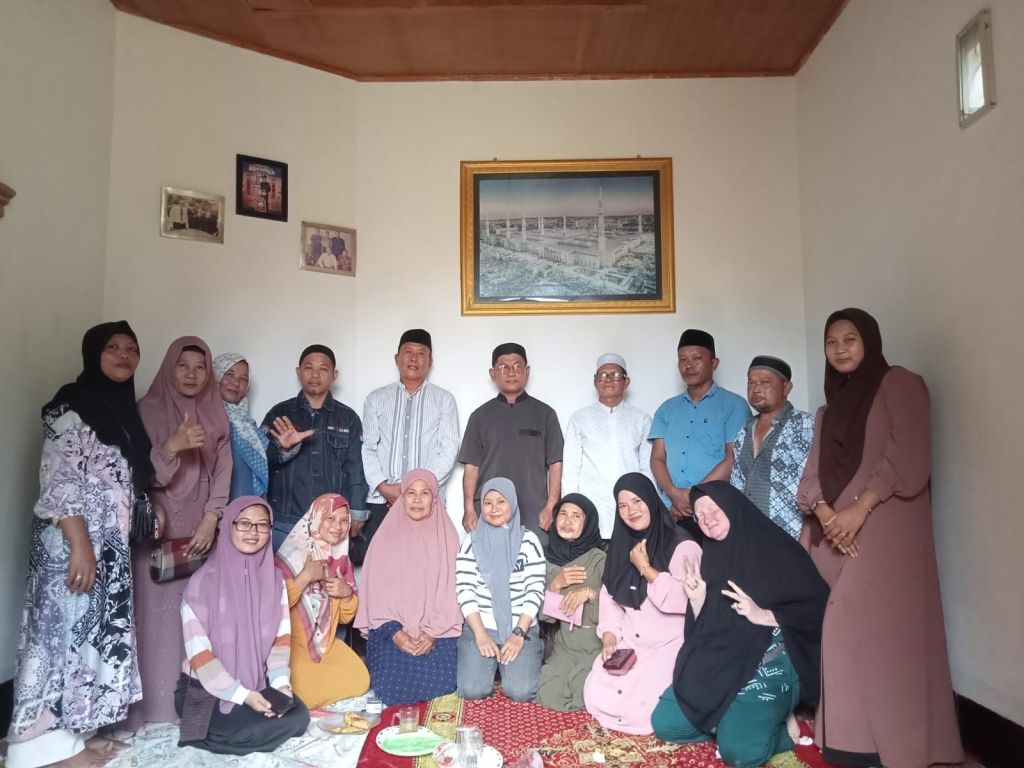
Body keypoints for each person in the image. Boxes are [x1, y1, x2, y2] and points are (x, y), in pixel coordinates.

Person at [796, 309, 963, 767]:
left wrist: (858, 510)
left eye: (850, 338)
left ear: (869, 340)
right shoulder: (828, 412)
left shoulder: (900, 384)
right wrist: (828, 513)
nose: (840, 348)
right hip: (836, 533)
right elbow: (810, 477)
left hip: (887, 529)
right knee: (846, 633)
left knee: (878, 635)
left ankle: (898, 743)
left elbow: (908, 455)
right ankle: (852, 742)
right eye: (832, 342)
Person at [6, 322, 152, 768]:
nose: (124, 355)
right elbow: (60, 479)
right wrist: (80, 546)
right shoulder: (70, 404)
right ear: (93, 353)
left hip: (108, 548)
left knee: (85, 646)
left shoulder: (121, 410)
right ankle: (32, 751)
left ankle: (74, 740)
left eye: (131, 348)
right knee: (56, 643)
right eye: (113, 347)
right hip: (72, 544)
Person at [651, 481, 829, 767]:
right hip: (723, 659)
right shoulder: (713, 555)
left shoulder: (778, 550)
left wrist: (764, 615)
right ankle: (733, 723)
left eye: (713, 509)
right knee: (665, 723)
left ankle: (777, 729)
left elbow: (819, 610)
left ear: (732, 506)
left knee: (741, 753)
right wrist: (698, 601)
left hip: (771, 659)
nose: (707, 519)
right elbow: (707, 630)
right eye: (699, 515)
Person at [130, 336, 231, 727]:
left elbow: (223, 470)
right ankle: (153, 707)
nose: (192, 374)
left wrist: (212, 517)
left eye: (200, 367)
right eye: (183, 365)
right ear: (169, 368)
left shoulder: (215, 411)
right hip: (160, 525)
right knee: (156, 617)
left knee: (199, 614)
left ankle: (193, 704)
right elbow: (138, 474)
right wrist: (172, 446)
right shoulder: (146, 410)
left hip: (201, 524)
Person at [177, 496, 309, 755]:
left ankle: (223, 732)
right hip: (206, 688)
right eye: (244, 523)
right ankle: (204, 730)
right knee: (251, 731)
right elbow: (200, 655)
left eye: (262, 525)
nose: (253, 532)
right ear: (229, 526)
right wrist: (242, 696)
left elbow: (280, 642)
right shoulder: (201, 584)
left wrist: (281, 686)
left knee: (299, 716)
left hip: (257, 681)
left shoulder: (276, 581)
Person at [582, 473, 700, 734]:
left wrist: (645, 568)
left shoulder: (682, 545)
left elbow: (689, 599)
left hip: (668, 643)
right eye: (623, 506)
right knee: (594, 694)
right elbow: (610, 595)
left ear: (650, 500)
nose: (630, 511)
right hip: (631, 642)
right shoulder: (621, 545)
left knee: (642, 709)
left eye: (637, 501)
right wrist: (610, 638)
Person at [355, 470, 462, 706]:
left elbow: (453, 591)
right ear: (401, 497)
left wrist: (432, 633)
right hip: (392, 630)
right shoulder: (385, 537)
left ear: (434, 498)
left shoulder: (448, 536)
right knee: (389, 691)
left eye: (425, 493)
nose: (417, 499)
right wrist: (397, 633)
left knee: (443, 686)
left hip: (437, 631)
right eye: (411, 493)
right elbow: (375, 593)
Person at [356, 329, 459, 558]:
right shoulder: (375, 399)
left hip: (427, 502)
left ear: (430, 361)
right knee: (383, 565)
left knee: (425, 565)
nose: (414, 358)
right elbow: (368, 448)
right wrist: (385, 488)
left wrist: (416, 491)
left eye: (421, 353)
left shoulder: (444, 400)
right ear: (397, 358)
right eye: (408, 352)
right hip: (382, 500)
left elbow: (449, 449)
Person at [261, 344, 369, 550]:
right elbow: (259, 463)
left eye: (323, 369)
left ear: (334, 375)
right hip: (285, 521)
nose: (315, 375)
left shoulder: (348, 418)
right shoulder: (279, 414)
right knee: (283, 572)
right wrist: (282, 449)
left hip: (331, 522)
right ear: (298, 372)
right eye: (309, 368)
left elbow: (356, 469)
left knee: (328, 572)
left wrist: (357, 511)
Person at [458, 343, 563, 545]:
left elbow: (556, 463)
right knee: (489, 560)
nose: (511, 372)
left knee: (534, 561)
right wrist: (469, 509)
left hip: (534, 512)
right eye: (503, 367)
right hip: (490, 512)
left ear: (527, 371)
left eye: (517, 366)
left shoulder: (545, 414)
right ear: (492, 374)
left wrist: (551, 506)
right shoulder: (479, 416)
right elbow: (471, 467)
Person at [649, 329, 749, 535]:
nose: (688, 365)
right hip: (671, 512)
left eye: (697, 358)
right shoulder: (666, 409)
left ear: (714, 363)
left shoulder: (734, 406)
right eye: (682, 359)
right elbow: (657, 458)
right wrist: (674, 494)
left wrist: (694, 496)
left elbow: (734, 458)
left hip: (716, 509)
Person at [275, 493, 370, 709]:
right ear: (316, 518)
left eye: (344, 520)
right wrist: (304, 578)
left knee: (361, 680)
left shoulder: (340, 561)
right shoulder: (288, 558)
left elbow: (346, 618)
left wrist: (346, 593)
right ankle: (305, 694)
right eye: (330, 518)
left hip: (324, 645)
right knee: (300, 687)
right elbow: (271, 610)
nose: (338, 527)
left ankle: (307, 695)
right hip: (291, 645)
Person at [705, 356, 814, 540]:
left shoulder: (804, 425)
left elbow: (813, 484)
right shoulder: (744, 432)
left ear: (786, 388)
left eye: (765, 382)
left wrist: (807, 539)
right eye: (751, 382)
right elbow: (737, 488)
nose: (756, 389)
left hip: (790, 539)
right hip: (749, 537)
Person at [455, 478, 545, 702]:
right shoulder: (471, 542)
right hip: (481, 626)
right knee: (471, 690)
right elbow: (465, 590)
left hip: (520, 627)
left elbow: (535, 591)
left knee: (520, 691)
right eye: (488, 503)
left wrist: (518, 634)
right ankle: (491, 664)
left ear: (512, 503)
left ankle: (512, 664)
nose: (494, 508)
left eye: (501, 501)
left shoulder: (529, 541)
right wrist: (480, 635)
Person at [562, 354, 652, 540]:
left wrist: (648, 507)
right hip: (591, 503)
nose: (608, 379)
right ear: (595, 382)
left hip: (631, 508)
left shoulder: (641, 418)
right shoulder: (579, 418)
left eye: (615, 375)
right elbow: (571, 468)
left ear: (626, 382)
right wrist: (571, 510)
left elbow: (647, 468)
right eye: (602, 375)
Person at [536, 493, 605, 711]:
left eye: (576, 516)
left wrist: (590, 594)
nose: (567, 521)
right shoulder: (544, 559)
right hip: (562, 646)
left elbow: (619, 606)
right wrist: (555, 585)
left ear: (588, 522)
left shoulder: (600, 558)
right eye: (563, 514)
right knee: (548, 692)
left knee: (582, 690)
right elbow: (537, 613)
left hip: (595, 646)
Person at [213, 353, 269, 500]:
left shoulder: (248, 425)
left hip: (248, 505)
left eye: (243, 379)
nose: (236, 383)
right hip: (215, 504)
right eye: (229, 374)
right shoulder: (205, 418)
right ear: (215, 375)